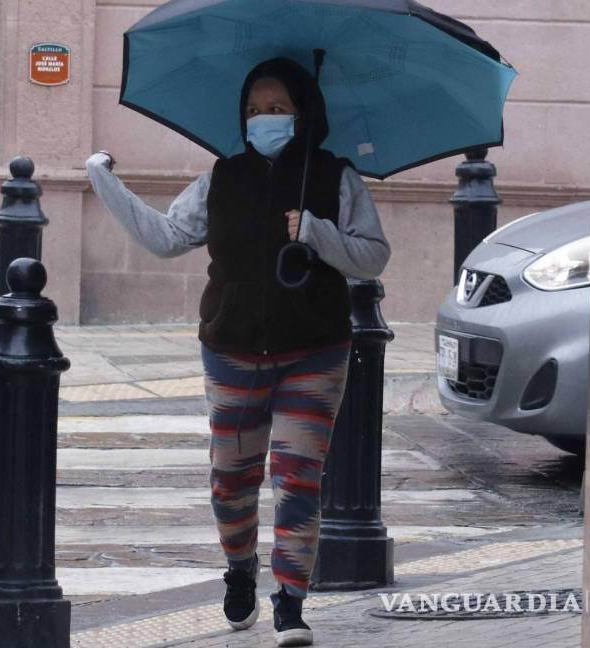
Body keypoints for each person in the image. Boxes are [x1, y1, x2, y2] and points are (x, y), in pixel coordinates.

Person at [86, 58, 390, 647]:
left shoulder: (336, 177)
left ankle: (291, 603)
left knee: (299, 479)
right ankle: (240, 567)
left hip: (315, 350)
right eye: (254, 110)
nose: (264, 119)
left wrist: (317, 234)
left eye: (277, 109)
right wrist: (105, 181)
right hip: (232, 349)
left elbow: (373, 255)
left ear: (303, 115)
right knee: (233, 479)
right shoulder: (222, 177)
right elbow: (167, 238)